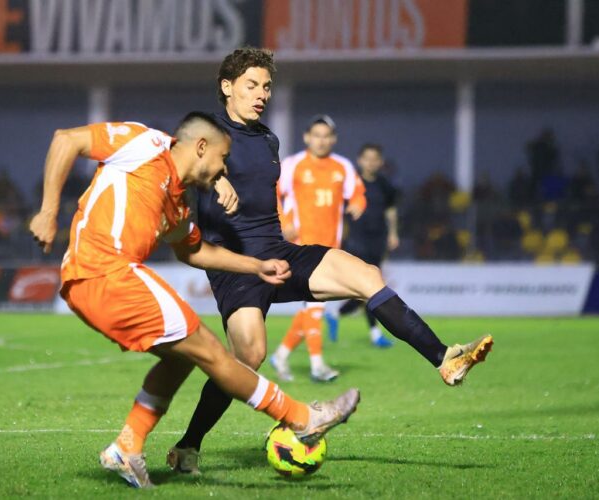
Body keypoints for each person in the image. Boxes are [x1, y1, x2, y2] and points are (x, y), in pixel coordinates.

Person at [168, 48, 493, 474]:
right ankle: (188, 446)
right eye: (252, 85)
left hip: (279, 252)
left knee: (367, 275)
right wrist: (215, 180)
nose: (262, 94)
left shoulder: (268, 139)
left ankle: (444, 358)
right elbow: (174, 162)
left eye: (267, 86)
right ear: (227, 87)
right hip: (235, 264)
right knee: (248, 355)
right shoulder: (205, 131)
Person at [28, 112, 360, 489]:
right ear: (202, 147)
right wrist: (48, 212)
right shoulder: (145, 144)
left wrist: (256, 266)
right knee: (213, 354)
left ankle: (127, 447)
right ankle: (302, 418)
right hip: (106, 271)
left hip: (91, 283)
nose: (224, 170)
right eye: (223, 159)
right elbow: (66, 138)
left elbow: (195, 251)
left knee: (181, 358)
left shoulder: (177, 201)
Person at [267, 114, 367, 383]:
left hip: (330, 248)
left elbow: (358, 193)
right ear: (307, 137)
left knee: (312, 305)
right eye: (317, 135)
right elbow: (272, 193)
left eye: (326, 136)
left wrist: (358, 203)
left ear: (333, 139)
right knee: (315, 303)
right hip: (299, 245)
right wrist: (284, 222)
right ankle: (317, 365)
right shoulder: (293, 165)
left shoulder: (342, 167)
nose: (321, 141)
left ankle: (282, 355)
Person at [325, 143, 400, 348]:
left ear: (380, 162)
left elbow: (390, 210)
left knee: (365, 290)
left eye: (375, 159)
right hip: (356, 241)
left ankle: (335, 313)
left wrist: (393, 233)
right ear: (360, 160)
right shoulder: (351, 183)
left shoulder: (385, 185)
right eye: (367, 158)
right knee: (371, 287)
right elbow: (337, 210)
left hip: (378, 240)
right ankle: (375, 334)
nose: (371, 163)